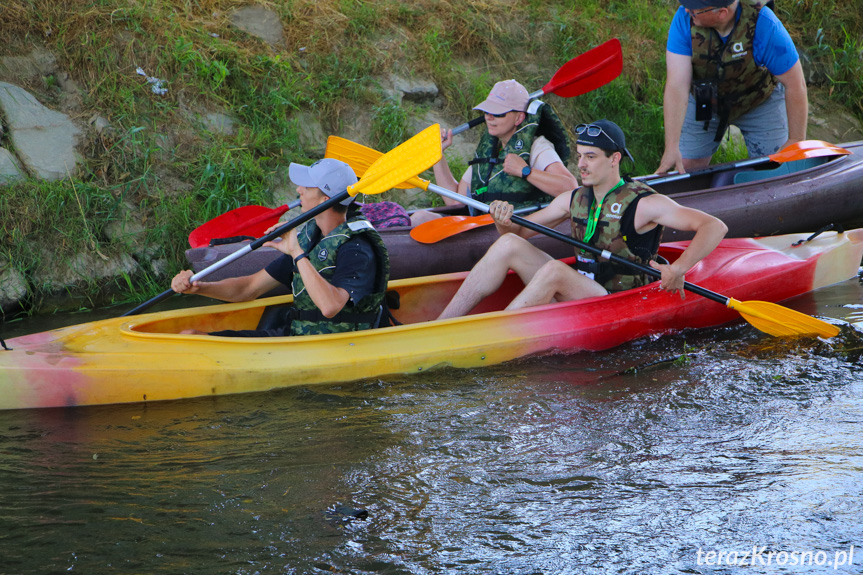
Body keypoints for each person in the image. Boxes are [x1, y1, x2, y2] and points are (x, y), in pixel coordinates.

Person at [437, 119, 728, 320]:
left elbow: (714, 226)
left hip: (617, 300)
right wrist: (502, 219)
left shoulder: (644, 203)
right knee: (509, 243)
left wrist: (679, 268)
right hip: (580, 290)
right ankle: (439, 326)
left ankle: (494, 334)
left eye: (591, 157)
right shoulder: (573, 198)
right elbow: (516, 235)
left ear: (614, 159)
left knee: (555, 271)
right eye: (579, 156)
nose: (582, 165)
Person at [171, 158, 390, 336]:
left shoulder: (357, 248)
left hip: (338, 343)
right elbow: (248, 289)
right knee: (189, 335)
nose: (298, 189)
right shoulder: (310, 238)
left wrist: (296, 253)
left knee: (190, 339)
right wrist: (200, 287)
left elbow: (330, 307)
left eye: (307, 186)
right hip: (299, 335)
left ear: (325, 198)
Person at [657, 0, 808, 175]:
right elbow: (677, 85)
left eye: (695, 9)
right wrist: (671, 146)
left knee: (775, 166)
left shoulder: (765, 25)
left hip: (759, 100)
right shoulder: (684, 19)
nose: (687, 9)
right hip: (706, 97)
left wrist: (796, 139)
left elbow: (796, 84)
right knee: (687, 166)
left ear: (721, 12)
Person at [410, 79, 578, 226]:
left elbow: (571, 188)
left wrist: (525, 171)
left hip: (515, 227)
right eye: (487, 111)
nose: (489, 117)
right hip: (480, 225)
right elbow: (455, 201)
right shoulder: (489, 150)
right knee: (419, 218)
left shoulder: (537, 147)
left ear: (518, 118)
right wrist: (438, 155)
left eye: (498, 113)